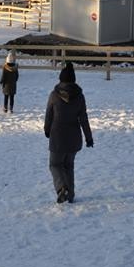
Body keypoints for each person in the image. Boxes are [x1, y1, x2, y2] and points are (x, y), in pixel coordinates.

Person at [44, 62, 93, 204]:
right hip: (74, 138)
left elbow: (49, 115)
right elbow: (84, 119)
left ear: (61, 79)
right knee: (68, 166)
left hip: (57, 137)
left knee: (55, 164)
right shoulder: (79, 96)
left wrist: (47, 130)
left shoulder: (54, 95)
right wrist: (88, 138)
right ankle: (70, 194)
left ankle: (61, 188)